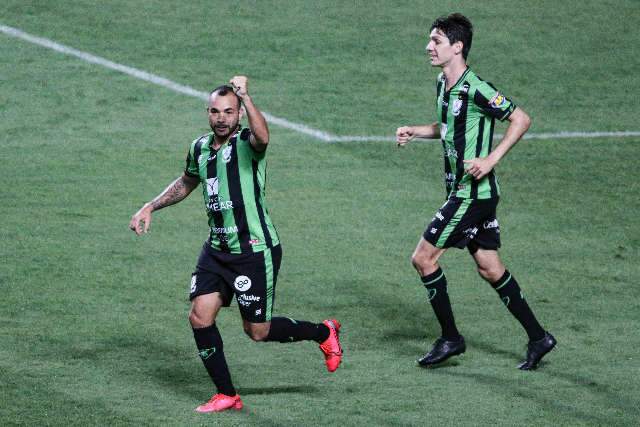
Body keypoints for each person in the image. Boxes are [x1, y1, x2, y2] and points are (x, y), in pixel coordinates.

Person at [129, 76, 343, 413]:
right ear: (208, 113)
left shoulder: (247, 143)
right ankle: (227, 394)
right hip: (216, 250)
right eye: (215, 111)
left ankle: (323, 332)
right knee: (199, 317)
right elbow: (187, 180)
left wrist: (247, 95)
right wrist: (150, 206)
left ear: (239, 114)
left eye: (229, 111)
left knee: (257, 331)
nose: (221, 118)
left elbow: (264, 136)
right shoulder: (199, 147)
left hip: (254, 252)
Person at [395, 14, 556, 370]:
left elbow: (521, 119)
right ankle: (539, 337)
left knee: (423, 259)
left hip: (472, 195)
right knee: (489, 266)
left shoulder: (477, 88)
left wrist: (490, 158)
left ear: (458, 47)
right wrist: (416, 131)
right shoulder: (443, 84)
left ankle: (451, 338)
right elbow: (449, 127)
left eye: (436, 41)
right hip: (465, 192)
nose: (428, 47)